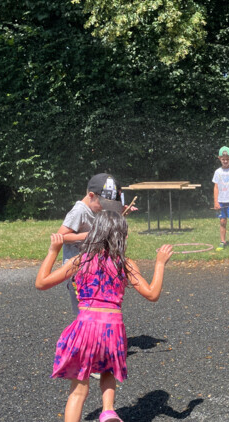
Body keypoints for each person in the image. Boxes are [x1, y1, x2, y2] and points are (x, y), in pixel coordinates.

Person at [36, 211, 174, 422]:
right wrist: (160, 263)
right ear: (121, 236)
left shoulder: (81, 260)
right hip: (113, 329)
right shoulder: (125, 264)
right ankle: (108, 410)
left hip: (86, 327)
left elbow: (41, 283)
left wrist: (53, 250)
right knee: (108, 370)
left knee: (79, 389)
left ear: (94, 233)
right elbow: (152, 294)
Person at [57, 173, 124, 316]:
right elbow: (60, 237)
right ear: (91, 195)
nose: (105, 208)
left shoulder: (95, 208)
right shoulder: (79, 211)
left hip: (92, 266)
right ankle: (84, 329)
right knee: (83, 310)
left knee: (95, 306)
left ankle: (94, 329)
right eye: (104, 204)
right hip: (76, 270)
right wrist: (91, 235)